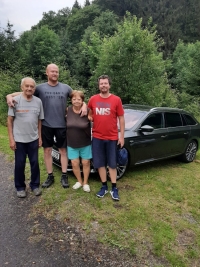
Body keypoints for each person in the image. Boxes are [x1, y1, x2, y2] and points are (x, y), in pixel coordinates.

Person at [6, 64, 87, 189]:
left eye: (56, 71)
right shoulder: (40, 88)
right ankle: (50, 175)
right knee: (47, 150)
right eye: (52, 71)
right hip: (45, 125)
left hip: (61, 125)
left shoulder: (66, 88)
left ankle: (64, 175)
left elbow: (78, 97)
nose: (54, 73)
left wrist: (85, 105)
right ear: (47, 73)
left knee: (63, 151)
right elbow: (25, 91)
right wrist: (9, 96)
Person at [88, 75, 125, 201]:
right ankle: (104, 186)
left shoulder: (116, 100)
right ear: (99, 86)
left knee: (112, 164)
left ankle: (114, 188)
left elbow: (121, 118)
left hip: (112, 137)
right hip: (97, 137)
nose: (103, 85)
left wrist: (122, 136)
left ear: (109, 85)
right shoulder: (93, 99)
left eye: (105, 83)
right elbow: (89, 113)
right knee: (99, 163)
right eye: (101, 83)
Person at [7, 77, 44, 198]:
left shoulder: (38, 101)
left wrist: (39, 136)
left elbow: (39, 120)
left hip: (33, 138)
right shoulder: (15, 100)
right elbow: (10, 120)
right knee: (19, 164)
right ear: (22, 87)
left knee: (34, 163)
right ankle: (20, 187)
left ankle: (35, 185)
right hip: (19, 139)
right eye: (27, 86)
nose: (29, 88)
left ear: (34, 88)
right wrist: (11, 139)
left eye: (32, 86)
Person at [66, 90, 92, 192]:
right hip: (72, 143)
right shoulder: (67, 110)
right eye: (74, 99)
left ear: (82, 101)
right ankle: (79, 181)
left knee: (86, 163)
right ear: (71, 100)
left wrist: (85, 106)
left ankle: (85, 183)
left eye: (79, 99)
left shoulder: (88, 110)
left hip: (85, 143)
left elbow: (94, 119)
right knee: (74, 163)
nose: (76, 101)